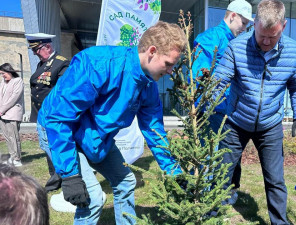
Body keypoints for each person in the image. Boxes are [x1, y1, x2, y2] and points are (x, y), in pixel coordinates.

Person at [37, 21, 186, 224]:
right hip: (60, 131)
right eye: (168, 64)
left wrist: (173, 171)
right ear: (152, 51)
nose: (170, 71)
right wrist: (70, 175)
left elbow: (154, 129)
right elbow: (60, 117)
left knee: (126, 181)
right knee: (93, 199)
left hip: (95, 135)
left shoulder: (147, 84)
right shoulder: (98, 65)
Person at [214, 0, 296, 224]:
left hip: (270, 126)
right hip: (236, 122)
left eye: (272, 36)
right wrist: (202, 105)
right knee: (221, 174)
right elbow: (219, 81)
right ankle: (210, 214)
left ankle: (279, 222)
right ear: (254, 23)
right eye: (261, 35)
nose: (266, 42)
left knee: (275, 180)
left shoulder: (294, 52)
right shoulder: (237, 47)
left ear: (283, 26)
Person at [192, 0, 253, 205]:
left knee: (226, 155)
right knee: (211, 155)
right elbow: (200, 77)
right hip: (212, 111)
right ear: (232, 16)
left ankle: (220, 193)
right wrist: (206, 107)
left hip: (229, 111)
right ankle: (209, 200)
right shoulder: (210, 39)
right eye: (243, 23)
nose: (244, 28)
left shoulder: (237, 42)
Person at [25, 33, 69, 192]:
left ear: (48, 47)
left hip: (53, 115)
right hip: (41, 114)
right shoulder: (41, 65)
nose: (35, 53)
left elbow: (64, 91)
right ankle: (55, 177)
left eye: (37, 50)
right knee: (46, 146)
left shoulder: (61, 64)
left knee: (55, 147)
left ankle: (66, 179)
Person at [0, 63, 24, 167]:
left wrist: (2, 109)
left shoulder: (18, 81)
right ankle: (12, 156)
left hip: (12, 113)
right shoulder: (3, 82)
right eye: (1, 74)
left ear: (9, 71)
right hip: (2, 114)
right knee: (7, 137)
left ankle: (17, 159)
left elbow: (14, 98)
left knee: (13, 137)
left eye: (3, 73)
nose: (2, 76)